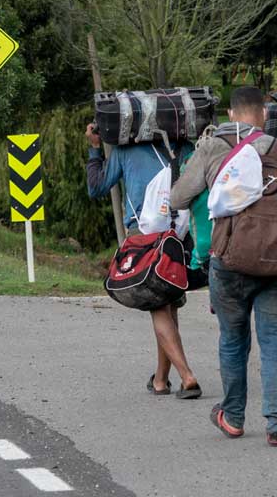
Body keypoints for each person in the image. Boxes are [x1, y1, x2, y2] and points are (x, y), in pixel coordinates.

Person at [167, 86, 277, 447]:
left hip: (229, 262)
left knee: (233, 339)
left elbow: (178, 198)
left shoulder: (213, 147)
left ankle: (233, 417)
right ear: (264, 114)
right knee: (274, 339)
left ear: (231, 115)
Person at [86, 122, 202, 399]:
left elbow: (97, 187)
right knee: (168, 304)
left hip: (144, 237)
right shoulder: (184, 147)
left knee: (157, 305)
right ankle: (161, 379)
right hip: (178, 235)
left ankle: (187, 376)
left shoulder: (125, 151)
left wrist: (94, 149)